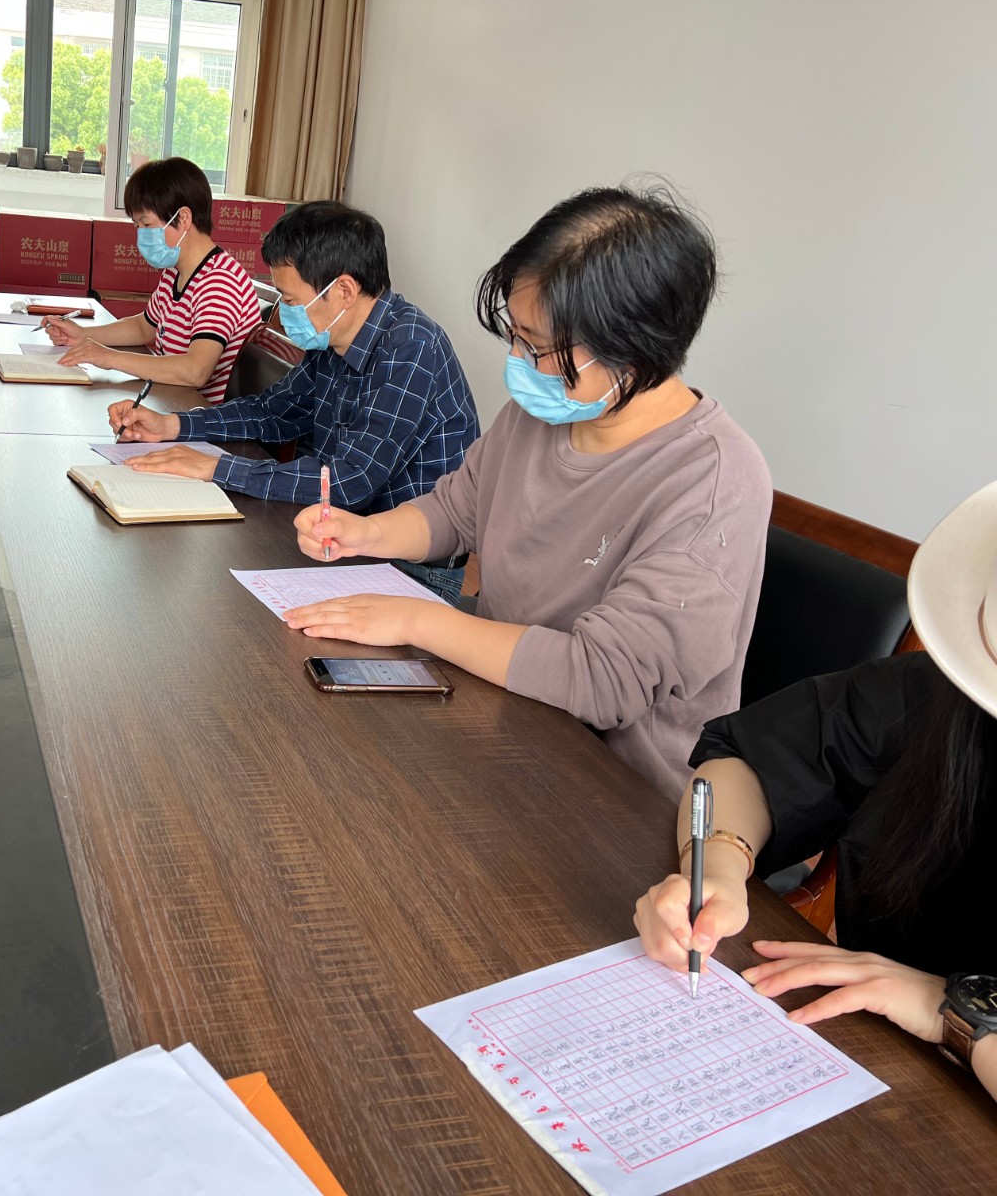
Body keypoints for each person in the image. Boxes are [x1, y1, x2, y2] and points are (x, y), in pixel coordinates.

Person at [288, 187, 771, 796]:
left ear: (634, 347)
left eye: (537, 347)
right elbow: (457, 509)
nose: (518, 361)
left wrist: (416, 619)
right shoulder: (546, 408)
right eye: (515, 336)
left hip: (610, 789)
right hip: (496, 715)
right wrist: (366, 532)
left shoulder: (714, 480)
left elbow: (603, 679)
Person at [634, 480, 997, 1101]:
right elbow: (751, 759)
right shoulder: (946, 697)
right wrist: (717, 865)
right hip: (866, 1051)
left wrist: (948, 1009)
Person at [110, 201, 480, 586]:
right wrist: (173, 425)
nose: (285, 312)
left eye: (290, 300)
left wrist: (215, 468)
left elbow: (350, 480)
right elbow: (273, 412)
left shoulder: (411, 348)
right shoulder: (334, 337)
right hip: (338, 535)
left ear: (344, 291)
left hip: (410, 566)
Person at [45, 156, 259, 404]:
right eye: (137, 226)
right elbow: (143, 327)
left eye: (146, 224)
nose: (141, 235)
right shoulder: (176, 270)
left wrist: (109, 358)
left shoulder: (219, 282)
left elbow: (196, 371)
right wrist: (84, 335)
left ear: (183, 218)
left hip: (196, 413)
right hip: (168, 399)